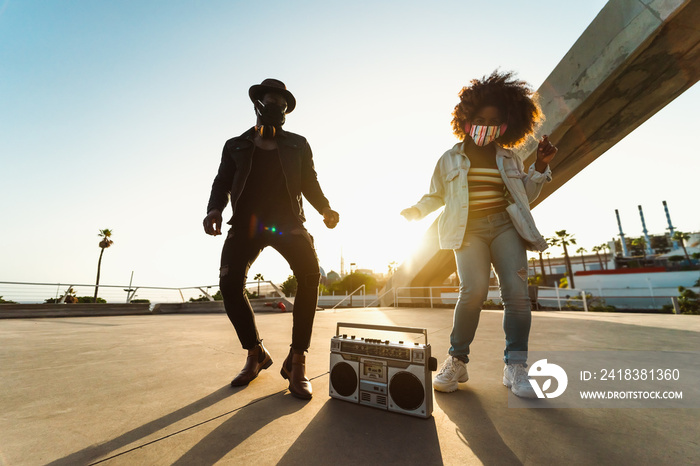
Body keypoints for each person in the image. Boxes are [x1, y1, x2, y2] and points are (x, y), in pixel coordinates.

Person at [400, 71, 557, 398]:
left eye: (495, 120)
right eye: (480, 118)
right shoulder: (449, 158)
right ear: (466, 120)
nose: (486, 125)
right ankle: (457, 360)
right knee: (472, 292)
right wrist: (416, 211)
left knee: (515, 294)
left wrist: (540, 166)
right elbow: (436, 195)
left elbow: (524, 194)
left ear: (506, 124)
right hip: (468, 230)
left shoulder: (509, 157)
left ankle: (515, 366)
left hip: (505, 227)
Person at [203, 78, 339, 399]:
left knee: (309, 276)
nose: (277, 107)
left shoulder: (298, 144)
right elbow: (221, 182)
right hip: (246, 224)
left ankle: (297, 362)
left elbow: (310, 182)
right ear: (258, 104)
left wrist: (325, 209)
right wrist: (214, 210)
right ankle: (255, 354)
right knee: (229, 283)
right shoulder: (235, 145)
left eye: (283, 104)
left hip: (288, 223)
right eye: (271, 101)